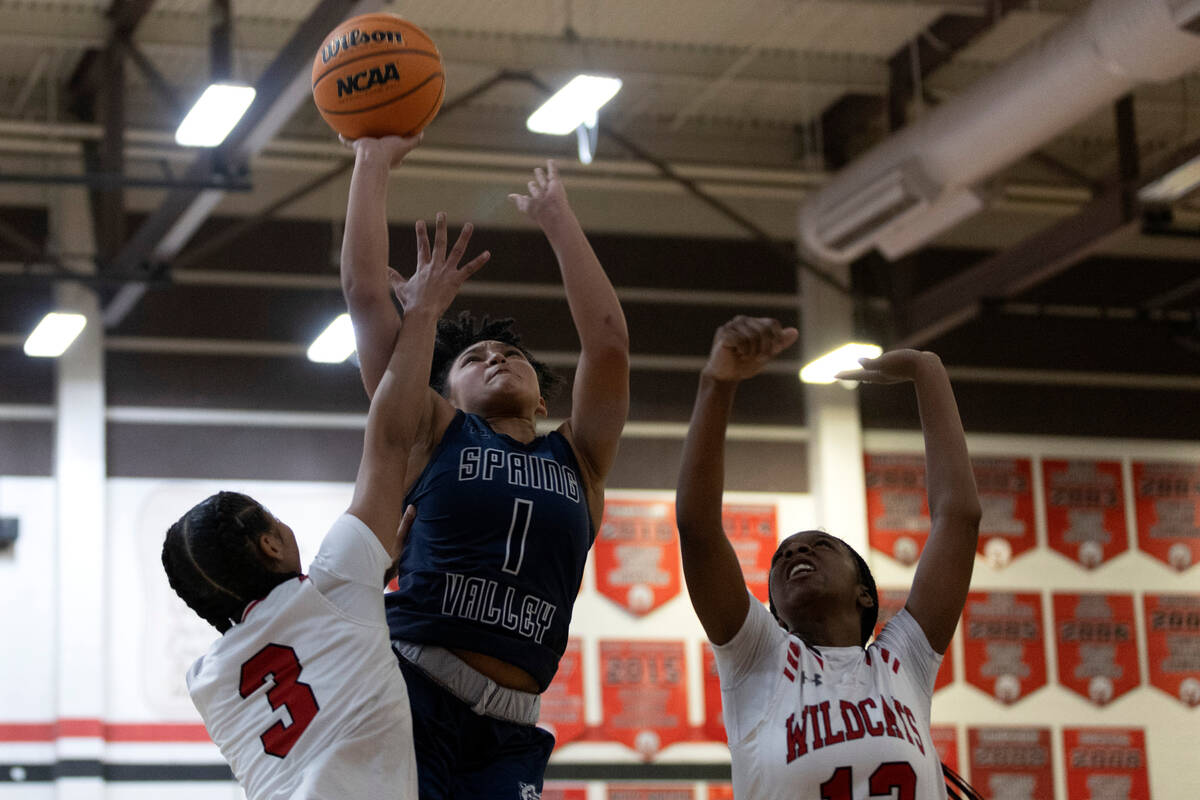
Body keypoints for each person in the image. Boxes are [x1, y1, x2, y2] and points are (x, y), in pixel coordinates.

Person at [162, 150, 487, 800]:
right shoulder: (336, 581)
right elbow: (392, 432)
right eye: (275, 519)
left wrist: (373, 571)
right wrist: (422, 310)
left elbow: (312, 658)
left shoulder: (208, 679)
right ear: (271, 545)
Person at [340, 138, 630, 798]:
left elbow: (609, 343)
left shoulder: (579, 456)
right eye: (474, 359)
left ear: (543, 396)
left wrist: (558, 220)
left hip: (511, 726)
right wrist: (370, 162)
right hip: (413, 689)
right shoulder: (432, 431)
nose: (497, 358)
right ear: (443, 389)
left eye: (512, 354)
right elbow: (363, 294)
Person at [675, 316, 983, 800]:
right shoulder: (760, 659)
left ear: (865, 593)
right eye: (783, 555)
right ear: (772, 609)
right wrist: (717, 385)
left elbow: (959, 518)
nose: (797, 551)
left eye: (820, 545)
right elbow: (698, 530)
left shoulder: (903, 662)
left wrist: (929, 374)